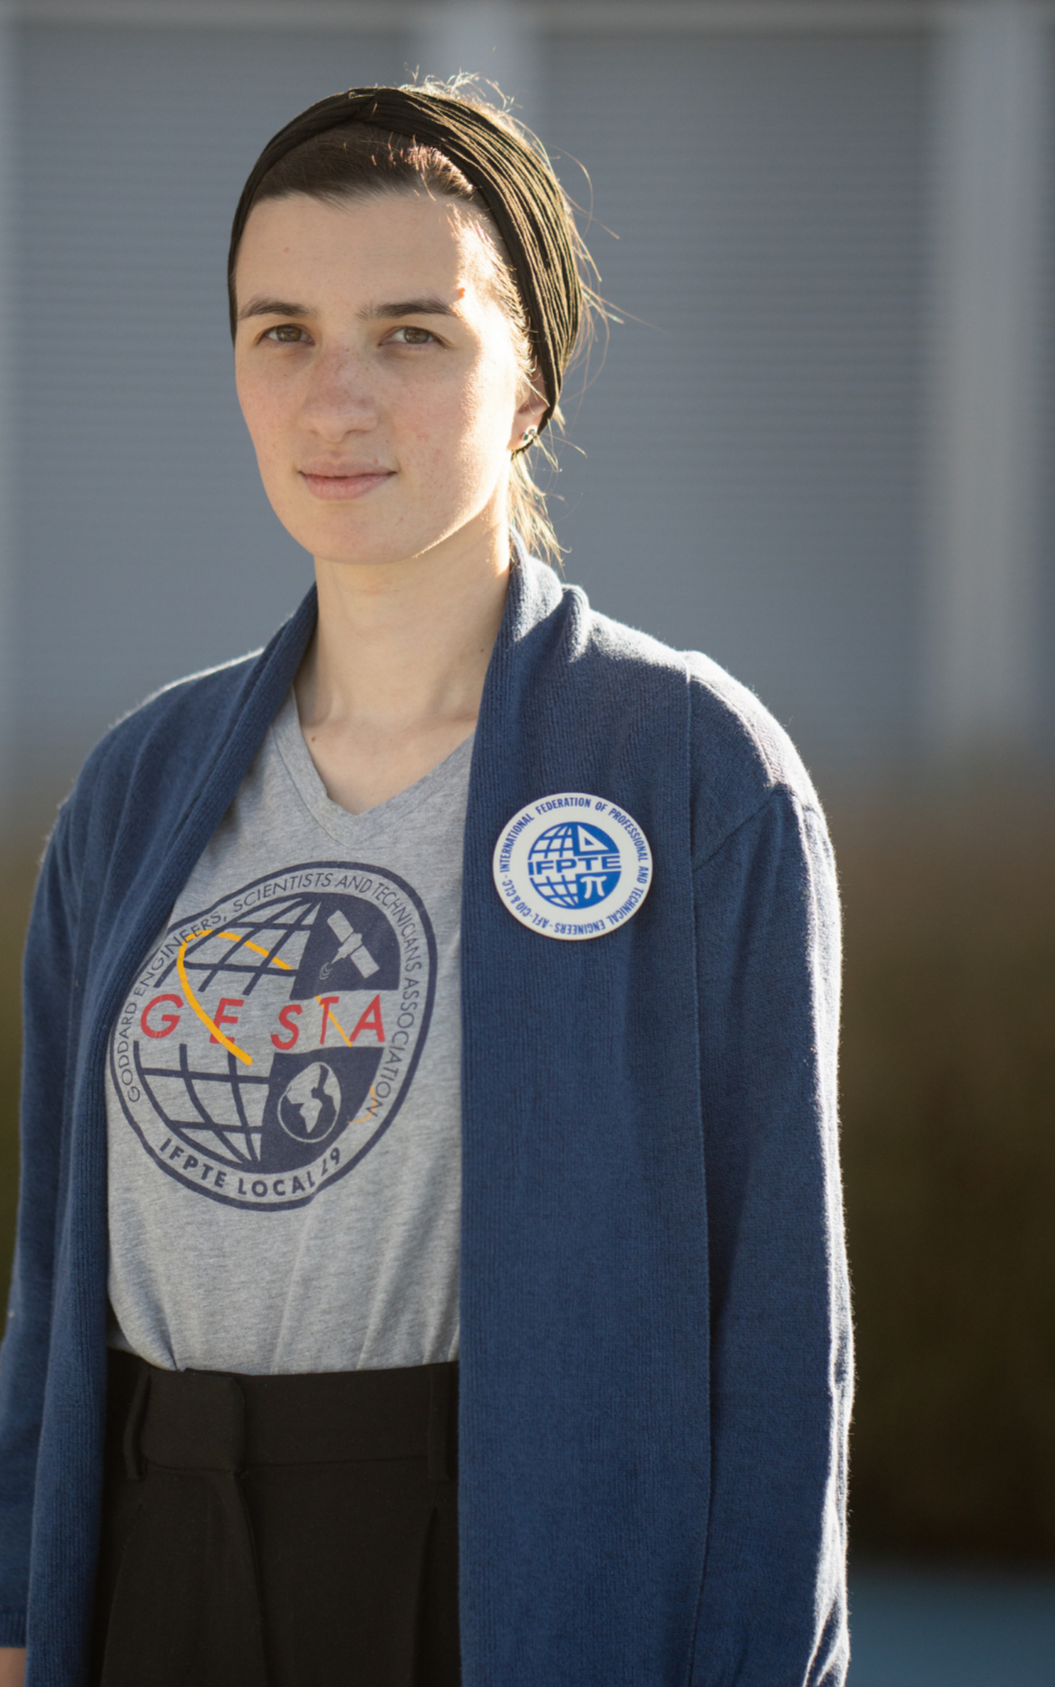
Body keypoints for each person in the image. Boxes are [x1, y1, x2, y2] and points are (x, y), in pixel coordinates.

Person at [0, 84, 848, 1686]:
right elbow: (50, 1289)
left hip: (490, 1577)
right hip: (151, 1569)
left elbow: (780, 1325)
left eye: (410, 333)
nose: (337, 398)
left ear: (528, 378)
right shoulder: (134, 789)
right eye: (283, 333)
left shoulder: (688, 772)